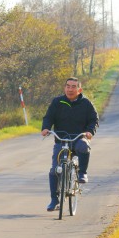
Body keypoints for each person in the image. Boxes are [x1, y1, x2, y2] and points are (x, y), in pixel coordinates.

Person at [41, 77, 99, 211]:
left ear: (79, 90)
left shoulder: (86, 103)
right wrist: (45, 128)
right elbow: (49, 117)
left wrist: (89, 132)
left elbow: (94, 120)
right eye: (68, 86)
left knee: (84, 146)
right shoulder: (57, 102)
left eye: (73, 87)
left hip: (79, 138)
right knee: (54, 170)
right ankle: (54, 200)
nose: (70, 89)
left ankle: (82, 173)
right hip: (61, 140)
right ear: (64, 88)